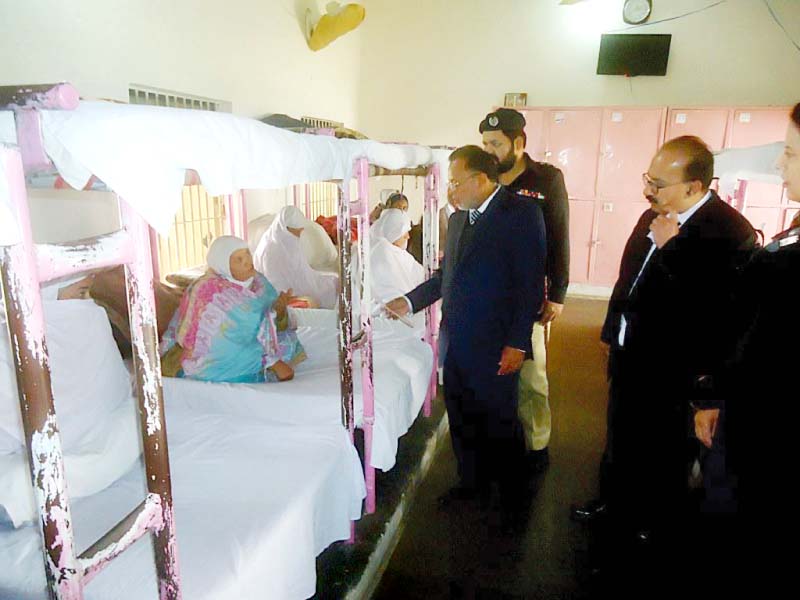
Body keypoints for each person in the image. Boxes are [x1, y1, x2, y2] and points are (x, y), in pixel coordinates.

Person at [572, 136, 757, 543]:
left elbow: (713, 311)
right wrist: (610, 330)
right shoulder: (653, 214)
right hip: (630, 351)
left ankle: (651, 517)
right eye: (648, 179)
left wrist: (670, 247)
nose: (648, 191)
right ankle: (612, 500)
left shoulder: (730, 232)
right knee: (621, 431)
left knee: (665, 445)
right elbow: (628, 279)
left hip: (677, 364)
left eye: (658, 184)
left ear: (694, 187)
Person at [385, 145, 546, 508]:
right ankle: (470, 483)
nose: (451, 191)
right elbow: (447, 277)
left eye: (456, 183)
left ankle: (513, 493)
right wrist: (409, 301)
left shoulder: (522, 214)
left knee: (499, 418)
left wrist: (518, 343)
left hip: (496, 341)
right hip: (457, 338)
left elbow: (530, 284)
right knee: (462, 414)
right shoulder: (459, 220)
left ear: (480, 180)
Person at [691, 104, 800, 585]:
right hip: (747, 422)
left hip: (767, 445)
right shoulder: (788, 240)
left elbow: (754, 338)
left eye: (791, 154)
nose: (781, 165)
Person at [481, 108, 570, 473]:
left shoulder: (545, 179)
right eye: (485, 143)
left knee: (533, 377)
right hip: (491, 292)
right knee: (495, 370)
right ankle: (500, 440)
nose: (489, 151)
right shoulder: (485, 178)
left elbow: (561, 234)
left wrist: (558, 293)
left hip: (530, 293)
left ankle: (537, 444)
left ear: (518, 143)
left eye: (496, 144)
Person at [161, 236, 304, 383]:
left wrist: (278, 310)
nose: (248, 262)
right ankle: (267, 360)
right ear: (223, 264)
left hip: (254, 341)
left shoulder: (259, 282)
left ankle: (266, 359)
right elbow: (197, 334)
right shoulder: (206, 290)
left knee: (288, 341)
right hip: (217, 350)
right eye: (239, 259)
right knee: (220, 359)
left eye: (247, 254)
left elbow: (273, 323)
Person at [253, 206, 339, 309]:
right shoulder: (271, 249)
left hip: (294, 287)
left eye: (300, 230)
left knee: (334, 282)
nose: (298, 234)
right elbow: (277, 285)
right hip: (281, 296)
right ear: (284, 228)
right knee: (325, 292)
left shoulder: (286, 240)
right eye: (295, 231)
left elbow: (301, 271)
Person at [369, 208, 425, 304]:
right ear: (393, 233)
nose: (408, 237)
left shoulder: (401, 255)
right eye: (404, 234)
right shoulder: (381, 252)